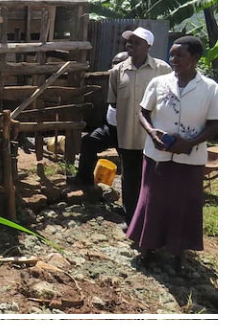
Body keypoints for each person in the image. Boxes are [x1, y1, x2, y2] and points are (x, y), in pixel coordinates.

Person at [128, 36, 218, 271]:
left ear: (195, 59)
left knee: (183, 204)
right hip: (157, 154)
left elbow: (215, 124)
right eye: (172, 55)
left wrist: (189, 143)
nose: (174, 59)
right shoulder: (159, 82)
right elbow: (143, 113)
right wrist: (152, 134)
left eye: (180, 55)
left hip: (191, 157)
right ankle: (147, 248)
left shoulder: (210, 88)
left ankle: (179, 253)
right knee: (153, 200)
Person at [107, 27, 171, 228]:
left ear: (148, 46)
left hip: (153, 136)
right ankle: (131, 216)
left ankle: (150, 217)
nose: (130, 46)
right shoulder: (118, 71)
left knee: (151, 177)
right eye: (129, 42)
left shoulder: (163, 69)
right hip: (127, 134)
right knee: (129, 175)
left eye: (136, 42)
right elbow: (114, 101)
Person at [73, 51, 130, 186]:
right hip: (109, 128)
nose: (115, 66)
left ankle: (130, 197)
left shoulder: (133, 83)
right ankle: (83, 179)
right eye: (114, 63)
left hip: (127, 131)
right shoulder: (110, 79)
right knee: (89, 141)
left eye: (119, 64)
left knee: (129, 163)